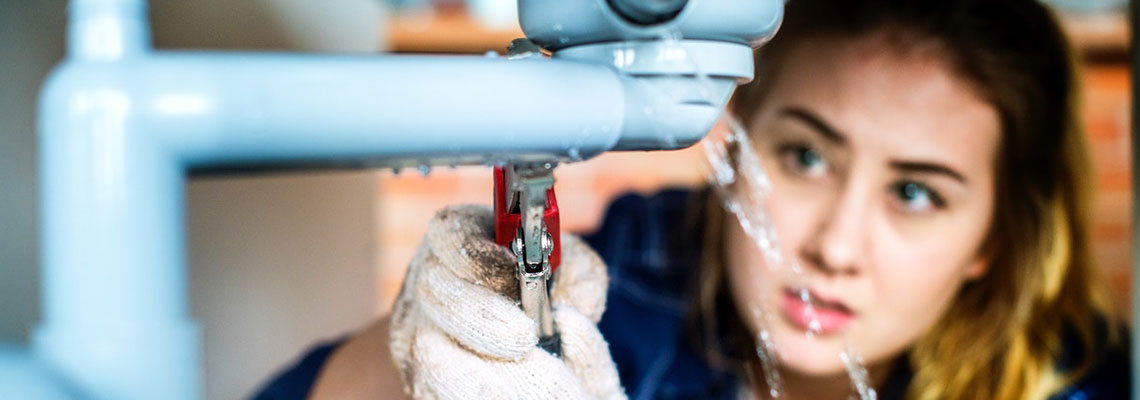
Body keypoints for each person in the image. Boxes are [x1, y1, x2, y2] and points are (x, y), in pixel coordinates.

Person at [254, 0, 1130, 398]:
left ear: (991, 237)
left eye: (914, 193)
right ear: (739, 130)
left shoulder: (1072, 379)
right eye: (806, 157)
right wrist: (412, 346)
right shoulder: (643, 269)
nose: (834, 245)